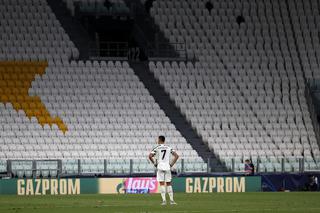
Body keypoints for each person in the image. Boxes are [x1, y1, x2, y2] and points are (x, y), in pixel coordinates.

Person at [149, 136, 179, 205]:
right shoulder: (169, 148)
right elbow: (177, 156)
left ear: (160, 140)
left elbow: (150, 156)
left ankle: (164, 201)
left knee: (162, 184)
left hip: (160, 167)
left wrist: (154, 164)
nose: (157, 141)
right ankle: (172, 201)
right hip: (167, 167)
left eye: (158, 140)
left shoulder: (157, 148)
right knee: (169, 183)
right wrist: (171, 165)